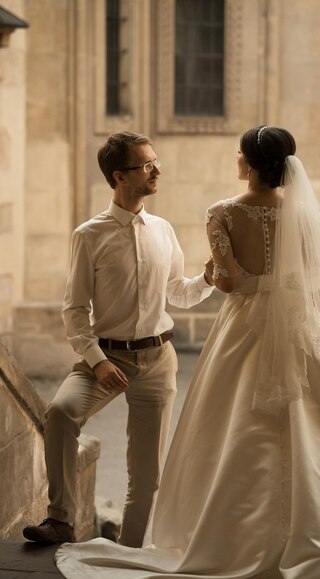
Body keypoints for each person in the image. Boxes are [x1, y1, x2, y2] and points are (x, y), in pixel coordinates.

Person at [56, 126, 320, 579]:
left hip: (244, 328)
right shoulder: (301, 211)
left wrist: (229, 276)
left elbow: (228, 283)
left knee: (232, 429)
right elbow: (310, 276)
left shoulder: (222, 212)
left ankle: (217, 540)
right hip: (298, 325)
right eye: (147, 163)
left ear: (248, 161)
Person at [23, 131, 214, 547]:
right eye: (147, 165)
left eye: (155, 161)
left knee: (146, 476)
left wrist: (207, 280)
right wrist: (97, 361)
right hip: (106, 358)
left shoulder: (163, 230)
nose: (157, 170)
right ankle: (60, 520)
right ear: (119, 176)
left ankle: (128, 554)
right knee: (61, 413)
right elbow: (74, 310)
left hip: (158, 359)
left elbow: (177, 291)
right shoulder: (88, 236)